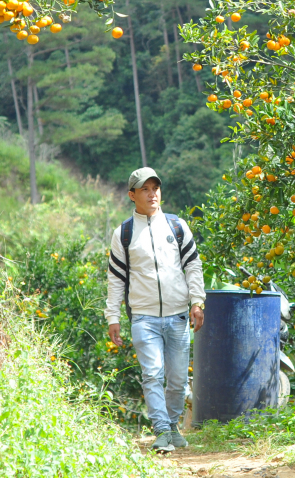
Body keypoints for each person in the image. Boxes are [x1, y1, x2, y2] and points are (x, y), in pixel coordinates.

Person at [106, 167, 205, 451]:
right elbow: (116, 280)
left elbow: (193, 266)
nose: (152, 194)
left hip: (177, 316)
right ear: (132, 195)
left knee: (176, 380)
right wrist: (113, 317)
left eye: (155, 188)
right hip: (143, 318)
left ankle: (172, 426)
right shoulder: (123, 234)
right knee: (152, 374)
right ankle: (162, 430)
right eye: (145, 189)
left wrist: (197, 301)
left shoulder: (177, 226)